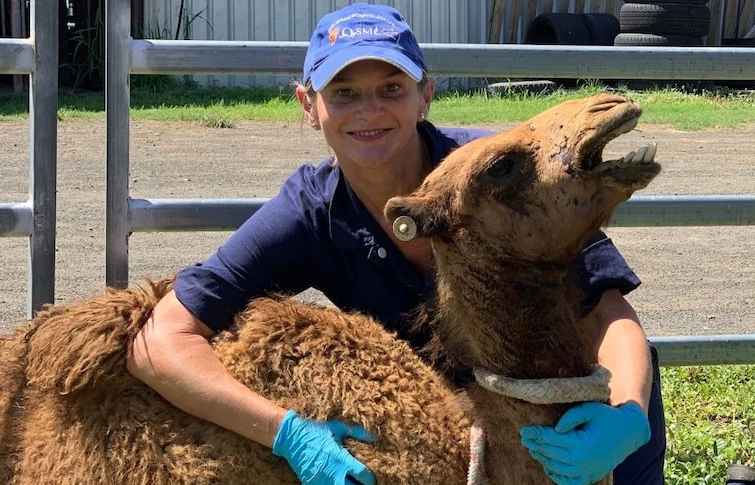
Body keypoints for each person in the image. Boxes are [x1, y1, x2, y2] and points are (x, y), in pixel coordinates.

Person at [126, 3, 666, 485]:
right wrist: (286, 433)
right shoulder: (311, 212)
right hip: (451, 425)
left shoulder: (494, 175)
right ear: (309, 106)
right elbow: (160, 342)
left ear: (425, 95)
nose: (370, 111)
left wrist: (628, 417)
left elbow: (608, 311)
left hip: (571, 399)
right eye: (344, 93)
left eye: (391, 88)